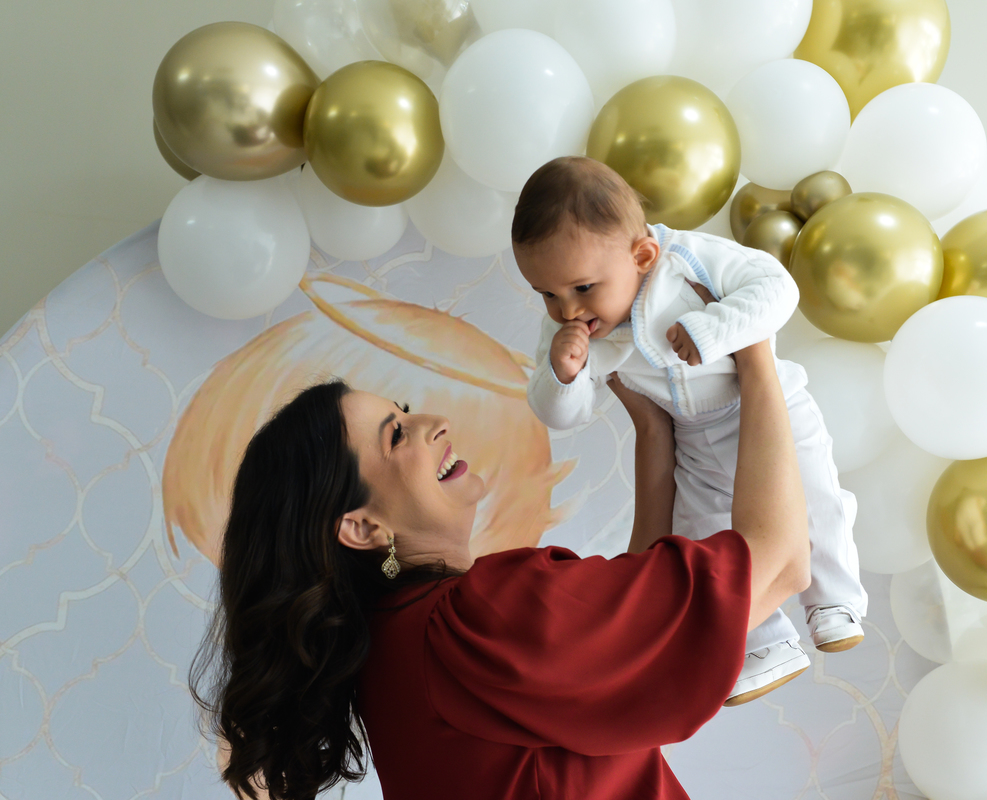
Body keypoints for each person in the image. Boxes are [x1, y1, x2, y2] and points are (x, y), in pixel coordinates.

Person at [188, 334, 810, 800]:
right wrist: (755, 350)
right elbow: (778, 560)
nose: (435, 423)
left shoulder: (392, 646)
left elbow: (623, 618)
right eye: (397, 435)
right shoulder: (473, 621)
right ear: (363, 528)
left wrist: (653, 430)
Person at [512, 156, 868, 705]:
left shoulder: (688, 261)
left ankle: (834, 599)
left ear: (642, 255)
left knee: (813, 494)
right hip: (691, 436)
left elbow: (777, 289)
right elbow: (563, 414)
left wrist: (715, 328)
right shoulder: (565, 332)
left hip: (766, 406)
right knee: (703, 534)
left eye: (582, 287)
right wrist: (564, 375)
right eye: (547, 294)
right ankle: (762, 644)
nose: (567, 309)